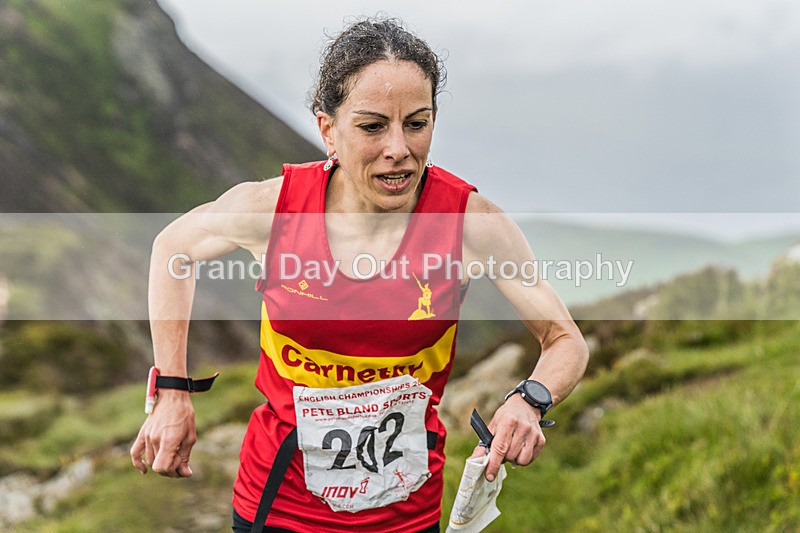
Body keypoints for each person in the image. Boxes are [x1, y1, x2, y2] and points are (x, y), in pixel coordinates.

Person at [130, 16, 589, 533]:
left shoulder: (469, 224)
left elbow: (564, 339)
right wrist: (171, 391)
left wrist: (530, 400)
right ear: (327, 128)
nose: (399, 148)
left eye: (417, 123)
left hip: (405, 513)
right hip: (277, 504)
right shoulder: (274, 209)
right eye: (372, 127)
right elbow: (173, 248)